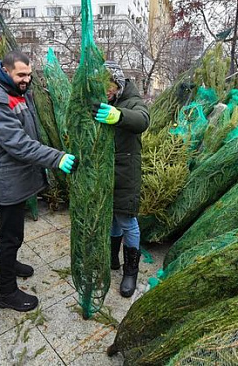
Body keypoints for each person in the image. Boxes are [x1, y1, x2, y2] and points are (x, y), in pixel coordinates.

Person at [0, 50, 77, 312]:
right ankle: (6, 292)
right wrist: (57, 158)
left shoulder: (16, 93)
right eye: (21, 74)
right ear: (6, 70)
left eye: (29, 74)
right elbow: (18, 144)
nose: (26, 79)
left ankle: (12, 266)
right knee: (9, 236)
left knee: (16, 231)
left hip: (18, 176)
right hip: (6, 179)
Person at [92, 61, 149, 297]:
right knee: (111, 217)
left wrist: (119, 116)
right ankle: (112, 258)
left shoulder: (132, 101)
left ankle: (130, 272)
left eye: (108, 85)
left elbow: (142, 120)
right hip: (105, 172)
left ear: (118, 83)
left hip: (126, 172)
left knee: (127, 220)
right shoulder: (103, 102)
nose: (105, 90)